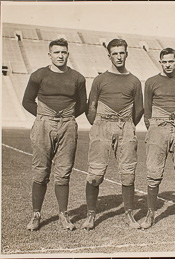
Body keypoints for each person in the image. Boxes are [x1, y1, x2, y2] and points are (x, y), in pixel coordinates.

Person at [22, 38, 87, 231]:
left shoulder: (77, 78)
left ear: (68, 54)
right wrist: (45, 116)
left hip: (68, 125)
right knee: (41, 171)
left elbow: (82, 105)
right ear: (49, 54)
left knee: (63, 172)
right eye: (56, 52)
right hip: (44, 125)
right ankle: (36, 215)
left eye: (64, 52)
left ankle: (63, 214)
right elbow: (27, 101)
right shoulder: (39, 75)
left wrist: (64, 118)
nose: (60, 56)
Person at [81, 39, 143, 230]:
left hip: (126, 127)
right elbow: (90, 108)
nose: (119, 56)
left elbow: (139, 110)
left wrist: (126, 126)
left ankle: (129, 214)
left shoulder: (134, 81)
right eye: (115, 53)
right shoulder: (100, 80)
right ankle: (91, 215)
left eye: (122, 53)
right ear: (109, 56)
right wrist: (101, 125)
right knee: (95, 173)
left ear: (127, 54)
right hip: (102, 127)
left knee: (128, 174)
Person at [141, 48, 175, 230]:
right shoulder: (151, 82)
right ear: (160, 62)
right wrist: (156, 128)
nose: (168, 65)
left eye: (171, 61)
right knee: (153, 171)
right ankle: (150, 214)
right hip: (158, 125)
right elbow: (147, 111)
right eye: (164, 62)